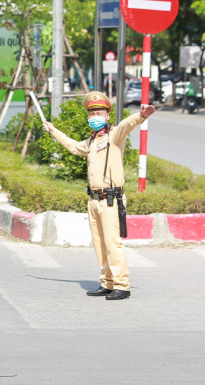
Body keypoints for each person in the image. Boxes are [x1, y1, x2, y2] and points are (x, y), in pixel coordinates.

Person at [45, 92, 156, 301]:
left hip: (111, 199)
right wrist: (53, 131)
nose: (95, 116)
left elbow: (127, 124)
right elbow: (71, 145)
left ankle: (122, 285)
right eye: (92, 113)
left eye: (100, 112)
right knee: (100, 244)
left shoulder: (114, 135)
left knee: (113, 242)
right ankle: (107, 283)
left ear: (107, 116)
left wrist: (140, 116)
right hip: (94, 200)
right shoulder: (91, 141)